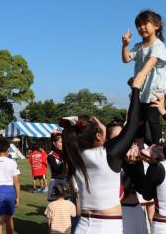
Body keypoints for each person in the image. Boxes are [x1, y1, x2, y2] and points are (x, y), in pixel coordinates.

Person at [60, 74, 145, 234]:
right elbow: (133, 125)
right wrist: (136, 89)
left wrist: (102, 129)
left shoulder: (75, 156)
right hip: (107, 227)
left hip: (83, 226)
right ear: (98, 136)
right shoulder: (107, 155)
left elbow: (128, 128)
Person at [121, 10, 166, 146]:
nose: (141, 27)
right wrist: (125, 45)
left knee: (152, 118)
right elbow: (126, 59)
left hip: (154, 90)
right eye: (139, 25)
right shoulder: (138, 46)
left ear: (157, 25)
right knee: (138, 119)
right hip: (141, 89)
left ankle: (157, 148)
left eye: (145, 23)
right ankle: (139, 146)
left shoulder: (158, 45)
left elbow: (150, 64)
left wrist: (138, 79)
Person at [47, 132, 67, 201]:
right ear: (54, 143)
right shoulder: (50, 155)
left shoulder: (65, 153)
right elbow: (56, 169)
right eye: (60, 142)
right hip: (56, 182)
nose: (62, 144)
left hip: (65, 182)